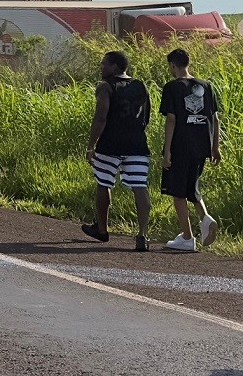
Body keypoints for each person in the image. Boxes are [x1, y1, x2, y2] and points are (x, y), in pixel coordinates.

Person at [81, 51, 152, 251]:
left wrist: (90, 145)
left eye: (104, 64)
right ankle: (142, 235)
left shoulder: (105, 87)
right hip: (137, 144)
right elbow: (146, 116)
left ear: (114, 67)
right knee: (140, 186)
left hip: (110, 144)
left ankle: (102, 229)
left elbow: (100, 118)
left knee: (103, 183)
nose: (101, 67)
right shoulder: (140, 86)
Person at [159, 48, 222, 251]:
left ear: (173, 65)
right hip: (201, 145)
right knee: (192, 188)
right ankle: (205, 219)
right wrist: (215, 147)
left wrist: (167, 151)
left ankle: (187, 237)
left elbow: (171, 120)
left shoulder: (172, 88)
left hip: (180, 145)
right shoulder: (206, 86)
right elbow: (214, 118)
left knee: (178, 193)